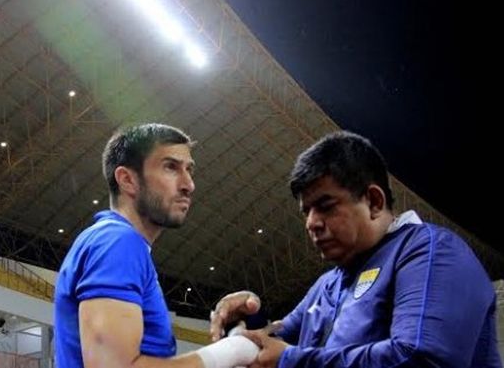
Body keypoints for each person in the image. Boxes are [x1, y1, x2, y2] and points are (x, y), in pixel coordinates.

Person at [210, 131, 502, 368]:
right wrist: (249, 316)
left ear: (374, 202)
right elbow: (276, 336)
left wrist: (292, 361)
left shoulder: (429, 252)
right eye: (306, 212)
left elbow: (421, 359)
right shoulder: (328, 284)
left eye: (325, 207)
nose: (311, 223)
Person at [55, 123, 258, 368]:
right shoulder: (117, 242)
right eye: (171, 167)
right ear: (128, 180)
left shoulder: (120, 244)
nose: (188, 185)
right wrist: (229, 352)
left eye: (189, 170)